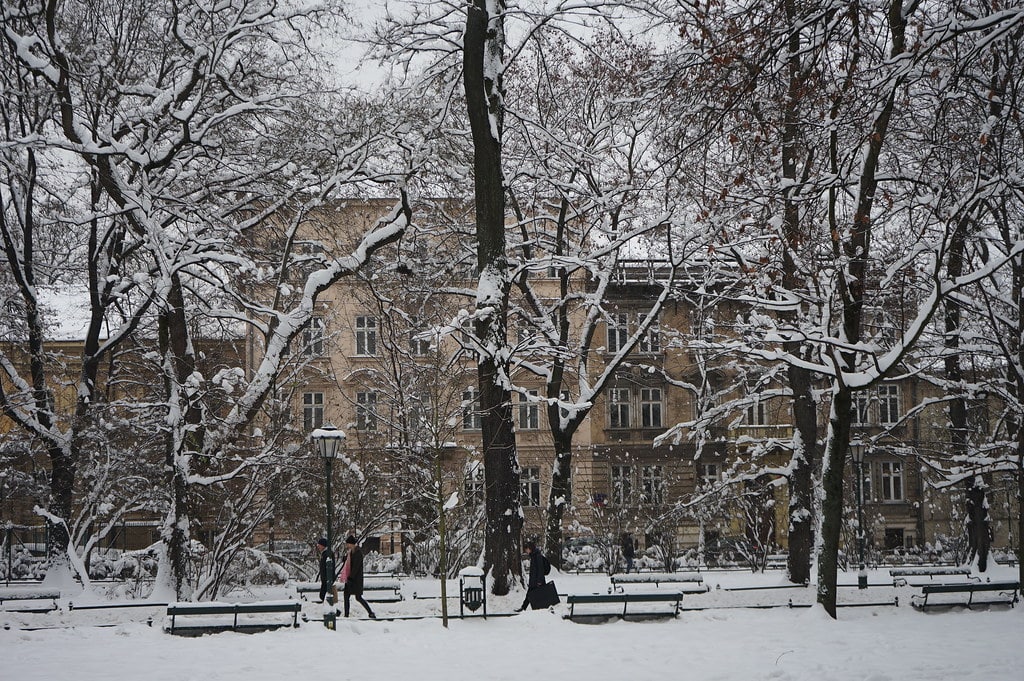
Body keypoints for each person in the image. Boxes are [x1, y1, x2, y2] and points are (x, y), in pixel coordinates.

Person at [339, 535, 376, 618]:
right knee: (346, 596)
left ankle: (370, 612)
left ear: (352, 544)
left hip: (356, 580)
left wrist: (351, 578)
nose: (347, 546)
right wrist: (345, 558)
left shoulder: (358, 553)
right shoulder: (350, 553)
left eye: (348, 544)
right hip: (351, 579)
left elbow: (356, 567)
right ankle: (346, 615)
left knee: (358, 597)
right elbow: (349, 562)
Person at [516, 539, 547, 612]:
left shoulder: (537, 556)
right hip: (534, 580)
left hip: (537, 580)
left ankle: (524, 607)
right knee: (530, 594)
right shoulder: (533, 556)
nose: (526, 551)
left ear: (530, 548)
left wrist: (539, 580)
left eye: (527, 549)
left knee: (534, 594)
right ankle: (524, 607)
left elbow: (540, 569)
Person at [315, 537, 338, 605]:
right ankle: (332, 609)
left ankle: (333, 610)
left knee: (323, 595)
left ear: (323, 545)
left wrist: (327, 577)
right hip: (326, 578)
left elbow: (328, 567)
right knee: (325, 595)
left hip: (327, 579)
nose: (318, 546)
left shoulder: (327, 554)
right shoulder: (325, 553)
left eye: (319, 545)